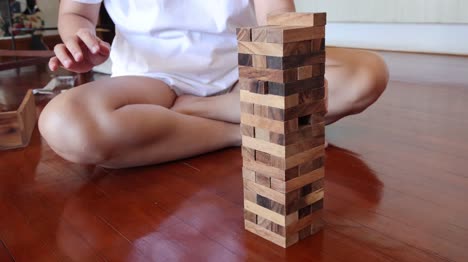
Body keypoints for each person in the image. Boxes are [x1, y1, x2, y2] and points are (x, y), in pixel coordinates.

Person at [39, 0, 388, 168]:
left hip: (246, 71)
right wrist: (79, 37)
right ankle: (248, 132)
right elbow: (77, 13)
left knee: (367, 73)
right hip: (150, 80)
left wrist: (297, 66)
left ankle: (199, 114)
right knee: (66, 124)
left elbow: (277, 18)